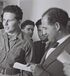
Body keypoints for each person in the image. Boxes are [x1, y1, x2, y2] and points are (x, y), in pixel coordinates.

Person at [29, 7, 70, 76]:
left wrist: (40, 73)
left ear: (57, 26)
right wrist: (36, 67)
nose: (44, 33)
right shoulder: (53, 43)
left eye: (45, 28)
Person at [0, 5, 33, 76]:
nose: (5, 24)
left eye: (9, 20)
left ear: (19, 21)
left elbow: (30, 70)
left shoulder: (27, 42)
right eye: (4, 20)